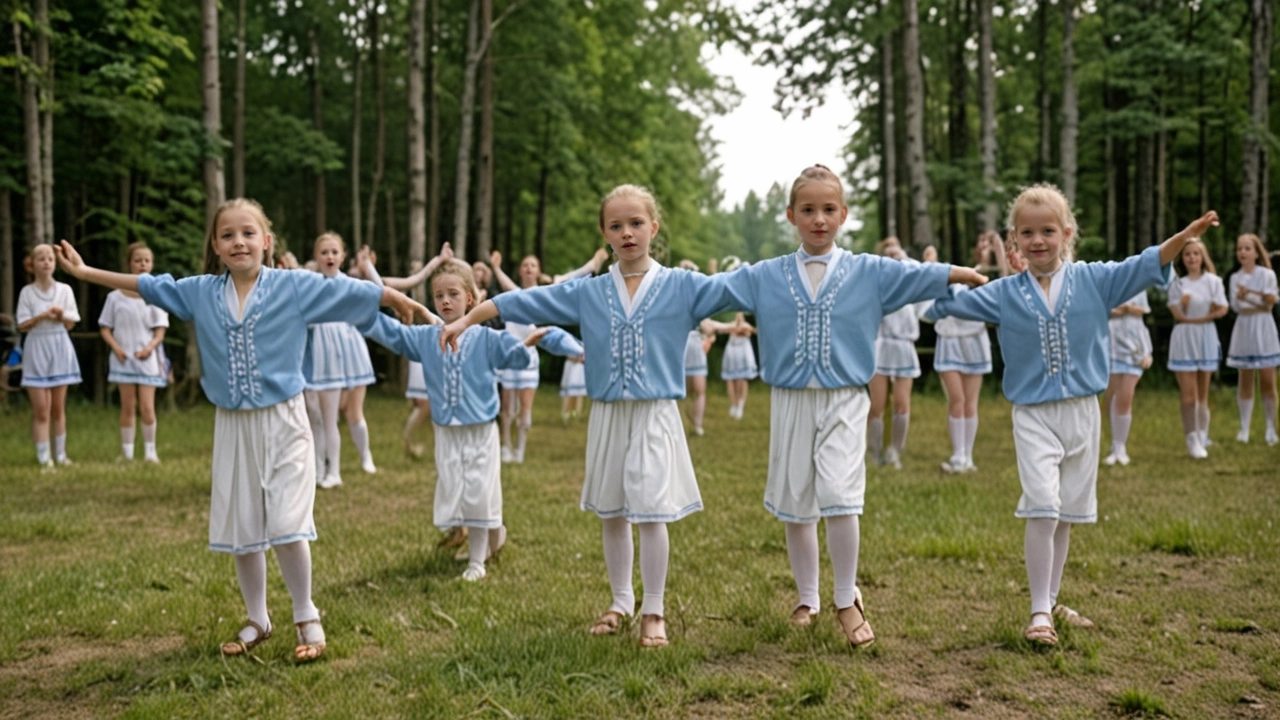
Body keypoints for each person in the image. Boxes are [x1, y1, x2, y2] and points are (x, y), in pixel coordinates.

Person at [54, 198, 430, 662]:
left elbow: (349, 294)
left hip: (285, 419)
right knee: (243, 523)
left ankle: (306, 613)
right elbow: (150, 285)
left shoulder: (293, 286)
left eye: (248, 233)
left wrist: (397, 297)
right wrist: (89, 274)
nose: (239, 242)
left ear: (266, 242)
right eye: (228, 235)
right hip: (232, 424)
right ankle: (258, 618)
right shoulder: (200, 292)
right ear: (215, 244)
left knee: (288, 521)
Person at [440, 184, 747, 648]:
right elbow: (523, 302)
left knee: (650, 513)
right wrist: (466, 319)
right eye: (617, 225)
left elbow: (744, 286)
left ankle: (654, 610)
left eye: (636, 223)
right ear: (604, 233)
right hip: (606, 415)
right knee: (613, 513)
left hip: (653, 415)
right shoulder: (590, 292)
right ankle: (621, 601)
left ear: (654, 228)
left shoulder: (680, 287)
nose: (627, 233)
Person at [704, 165, 986, 648]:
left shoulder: (867, 271)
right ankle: (807, 597)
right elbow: (707, 291)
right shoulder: (766, 275)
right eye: (808, 210)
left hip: (845, 400)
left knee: (839, 492)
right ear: (792, 215)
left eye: (828, 209)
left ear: (843, 215)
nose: (819, 219)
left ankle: (844, 600)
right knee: (796, 504)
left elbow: (919, 276)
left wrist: (971, 274)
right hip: (791, 401)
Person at [925, 183, 1218, 646]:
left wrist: (1184, 236)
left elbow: (1144, 264)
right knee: (1042, 504)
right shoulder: (1004, 293)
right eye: (1027, 233)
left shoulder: (1093, 281)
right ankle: (1039, 612)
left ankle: (1052, 599)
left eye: (1047, 231)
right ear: (1015, 240)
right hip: (1033, 415)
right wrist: (963, 275)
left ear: (1066, 233)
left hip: (1083, 414)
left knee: (1063, 515)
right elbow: (940, 306)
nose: (1037, 240)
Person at [365, 258, 551, 581]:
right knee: (457, 491)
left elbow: (515, 356)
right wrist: (366, 304)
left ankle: (477, 561)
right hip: (446, 432)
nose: (445, 301)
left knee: (479, 492)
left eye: (453, 294)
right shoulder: (426, 337)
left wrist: (525, 347)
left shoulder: (485, 338)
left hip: (480, 430)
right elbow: (392, 333)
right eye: (439, 296)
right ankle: (493, 532)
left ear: (469, 298)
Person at [488, 248, 607, 463]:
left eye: (533, 265)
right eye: (525, 265)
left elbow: (572, 279)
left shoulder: (546, 296)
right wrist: (496, 268)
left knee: (525, 407)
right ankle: (506, 446)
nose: (528, 269)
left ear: (538, 271)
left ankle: (520, 450)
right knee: (507, 408)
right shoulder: (515, 294)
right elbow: (507, 286)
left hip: (528, 358)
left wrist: (593, 263)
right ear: (520, 271)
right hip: (509, 355)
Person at [303, 233, 382, 488]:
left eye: (334, 252)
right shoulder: (309, 283)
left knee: (353, 413)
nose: (329, 257)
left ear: (342, 256)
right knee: (324, 418)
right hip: (321, 353)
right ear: (317, 257)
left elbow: (379, 292)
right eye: (324, 252)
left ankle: (355, 460)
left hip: (348, 350)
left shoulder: (349, 283)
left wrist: (367, 265)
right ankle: (324, 470)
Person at [921, 248, 995, 474]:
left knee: (970, 402)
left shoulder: (985, 286)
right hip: (950, 343)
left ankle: (968, 457)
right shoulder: (947, 284)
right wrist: (930, 261)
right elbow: (926, 310)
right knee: (957, 399)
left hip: (974, 344)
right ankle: (957, 454)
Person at [98, 242, 169, 463]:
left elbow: (160, 330)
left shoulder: (156, 295)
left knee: (147, 407)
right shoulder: (114, 297)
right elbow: (105, 328)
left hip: (147, 359)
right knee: (128, 406)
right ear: (129, 263)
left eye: (147, 260)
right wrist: (117, 349)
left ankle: (150, 452)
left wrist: (149, 348)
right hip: (123, 358)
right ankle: (127, 453)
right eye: (138, 260)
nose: (142, 264)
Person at [17, 243, 82, 468]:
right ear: (31, 264)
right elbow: (22, 324)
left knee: (57, 408)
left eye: (50, 259)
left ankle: (61, 455)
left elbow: (71, 323)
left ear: (55, 264)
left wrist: (61, 315)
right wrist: (42, 316)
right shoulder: (27, 293)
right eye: (41, 259)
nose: (46, 262)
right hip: (37, 349)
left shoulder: (65, 290)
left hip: (59, 347)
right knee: (41, 409)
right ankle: (44, 458)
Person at [1167, 238, 1229, 458]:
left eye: (1196, 253)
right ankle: (1191, 438)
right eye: (1187, 254)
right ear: (1182, 259)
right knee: (1188, 394)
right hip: (1185, 338)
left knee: (1203, 392)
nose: (1192, 258)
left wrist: (1207, 315)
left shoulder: (1213, 281)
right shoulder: (1177, 284)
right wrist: (1186, 307)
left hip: (1206, 337)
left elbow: (1223, 307)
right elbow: (1177, 315)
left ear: (1202, 257)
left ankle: (1203, 434)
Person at [867, 238, 924, 470]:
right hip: (881, 347)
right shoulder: (876, 285)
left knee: (901, 404)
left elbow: (921, 273)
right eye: (888, 255)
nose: (894, 259)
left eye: (897, 255)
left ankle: (894, 451)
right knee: (877, 405)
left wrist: (903, 257)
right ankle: (875, 452)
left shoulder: (912, 285)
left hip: (904, 347)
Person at [1226, 233, 1279, 445]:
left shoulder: (1267, 275)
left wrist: (1249, 294)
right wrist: (1256, 298)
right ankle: (1244, 428)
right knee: (1245, 380)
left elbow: (1269, 303)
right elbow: (1236, 306)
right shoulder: (1234, 278)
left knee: (1267, 381)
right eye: (1239, 249)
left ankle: (1270, 429)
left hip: (1264, 326)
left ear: (1257, 253)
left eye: (1247, 249)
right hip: (1244, 327)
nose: (1242, 253)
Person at [1100, 292, 1154, 466]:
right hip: (1113, 350)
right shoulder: (1111, 286)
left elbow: (1142, 311)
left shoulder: (1140, 290)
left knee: (1125, 397)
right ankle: (1114, 446)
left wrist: (1128, 309)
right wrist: (1118, 311)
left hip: (1135, 352)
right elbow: (1104, 311)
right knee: (1113, 398)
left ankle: (1120, 447)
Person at [718, 312, 758, 419]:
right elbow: (721, 330)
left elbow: (755, 331)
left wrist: (746, 330)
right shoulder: (732, 325)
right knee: (730, 380)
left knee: (741, 380)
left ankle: (740, 404)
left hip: (743, 355)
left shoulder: (746, 327)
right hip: (732, 355)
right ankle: (734, 404)